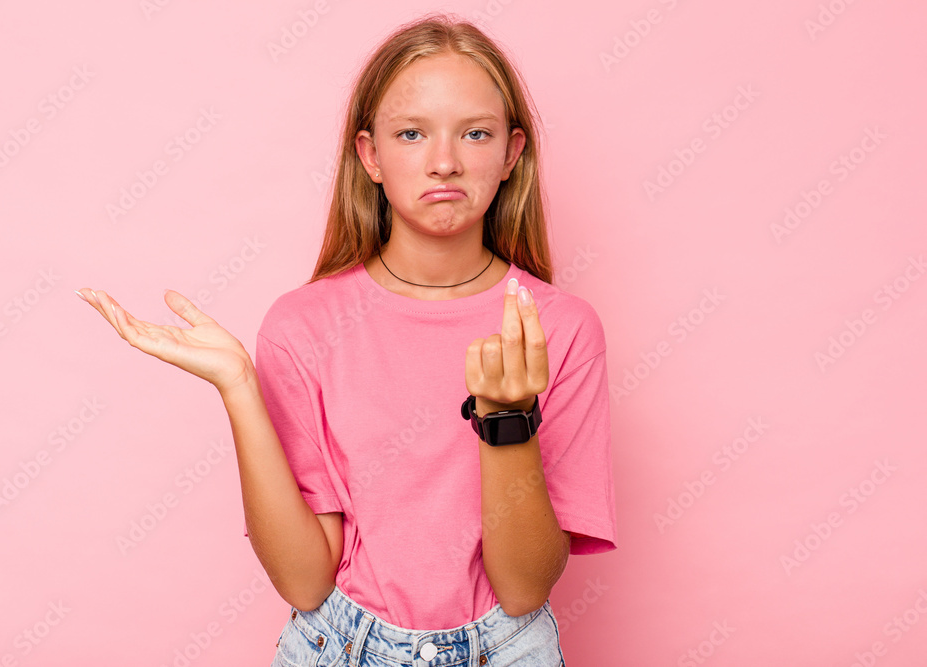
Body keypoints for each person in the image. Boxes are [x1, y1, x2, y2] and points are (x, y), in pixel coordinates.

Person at [78, 12, 615, 667]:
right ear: (370, 156)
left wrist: (507, 420)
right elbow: (305, 579)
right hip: (338, 646)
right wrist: (240, 387)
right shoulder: (302, 325)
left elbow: (524, 585)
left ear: (511, 153)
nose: (444, 160)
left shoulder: (561, 328)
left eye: (475, 133)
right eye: (411, 133)